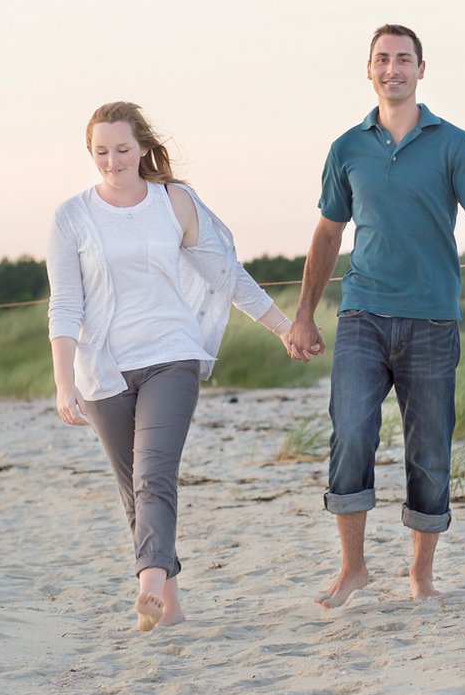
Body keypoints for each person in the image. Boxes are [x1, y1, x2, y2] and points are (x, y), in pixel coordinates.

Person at [287, 24, 465, 607]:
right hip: (362, 315)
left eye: (403, 59)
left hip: (432, 320)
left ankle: (421, 576)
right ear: (368, 70)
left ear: (422, 69)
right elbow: (326, 234)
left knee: (429, 450)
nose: (392, 68)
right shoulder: (347, 147)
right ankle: (354, 569)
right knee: (350, 433)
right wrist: (303, 315)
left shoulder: (453, 142)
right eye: (382, 59)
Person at [46, 100, 294, 632]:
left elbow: (226, 275)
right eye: (101, 152)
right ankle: (171, 608)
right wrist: (64, 382)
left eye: (122, 150)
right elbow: (65, 304)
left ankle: (149, 585)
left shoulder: (173, 202)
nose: (112, 161)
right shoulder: (71, 217)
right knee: (133, 488)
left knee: (154, 475)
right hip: (103, 372)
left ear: (142, 147)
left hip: (170, 356)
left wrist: (283, 327)